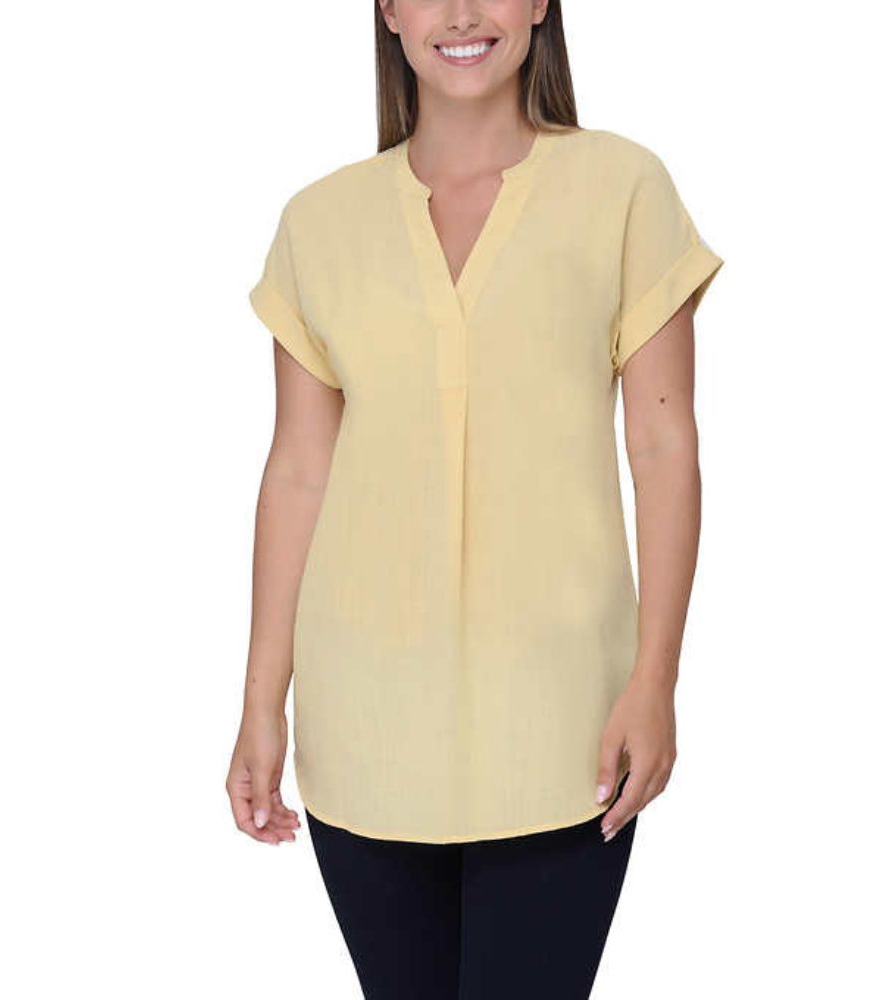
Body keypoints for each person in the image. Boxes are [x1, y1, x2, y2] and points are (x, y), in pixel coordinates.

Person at [226, 1, 723, 996]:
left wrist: (656, 678)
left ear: (540, 2)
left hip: (565, 727)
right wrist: (259, 703)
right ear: (387, 9)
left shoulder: (623, 188)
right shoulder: (318, 223)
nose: (461, 13)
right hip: (363, 726)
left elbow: (663, 445)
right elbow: (299, 471)